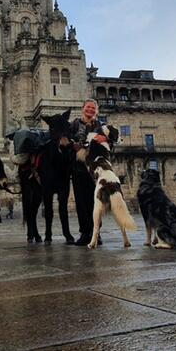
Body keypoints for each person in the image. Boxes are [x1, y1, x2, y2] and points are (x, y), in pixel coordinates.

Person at [69, 99, 102, 246]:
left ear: (96, 111)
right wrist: (73, 146)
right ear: (83, 109)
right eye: (88, 107)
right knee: (81, 202)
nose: (90, 110)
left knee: (95, 202)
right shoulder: (75, 124)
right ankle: (85, 233)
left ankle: (96, 233)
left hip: (95, 169)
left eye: (93, 108)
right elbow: (67, 140)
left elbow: (106, 142)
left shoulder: (99, 125)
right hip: (78, 168)